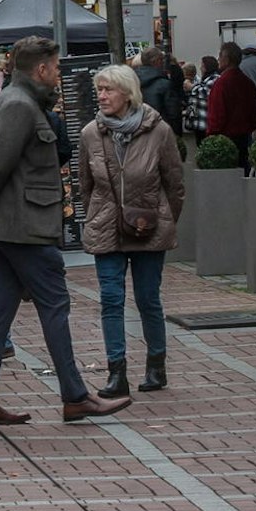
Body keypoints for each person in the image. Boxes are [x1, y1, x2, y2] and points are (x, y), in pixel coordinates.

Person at [0, 37, 129, 423]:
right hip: (23, 226)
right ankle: (75, 395)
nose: (59, 75)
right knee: (54, 305)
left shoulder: (14, 100)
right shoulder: (18, 104)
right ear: (42, 69)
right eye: (56, 67)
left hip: (10, 225)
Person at [79, 62, 184, 398]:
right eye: (99, 89)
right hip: (107, 227)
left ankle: (156, 366)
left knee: (147, 299)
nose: (102, 95)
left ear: (127, 93)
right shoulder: (90, 133)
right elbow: (85, 185)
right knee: (110, 299)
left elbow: (175, 184)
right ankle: (116, 372)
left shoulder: (158, 131)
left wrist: (163, 218)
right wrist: (98, 214)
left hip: (148, 227)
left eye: (108, 89)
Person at [205, 43, 256, 175]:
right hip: (244, 138)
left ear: (227, 59)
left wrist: (211, 135)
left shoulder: (221, 84)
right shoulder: (248, 83)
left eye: (220, 56)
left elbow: (217, 115)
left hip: (225, 139)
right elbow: (254, 114)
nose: (218, 59)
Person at [135, 48, 184, 138]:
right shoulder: (165, 84)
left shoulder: (132, 82)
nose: (164, 63)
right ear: (156, 61)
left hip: (137, 131)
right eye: (162, 60)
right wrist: (176, 136)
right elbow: (174, 113)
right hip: (160, 132)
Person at [185, 56, 219, 141]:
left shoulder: (215, 78)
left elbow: (203, 92)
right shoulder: (206, 79)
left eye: (202, 65)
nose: (200, 68)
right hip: (200, 123)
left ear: (207, 67)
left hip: (206, 123)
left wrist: (191, 87)